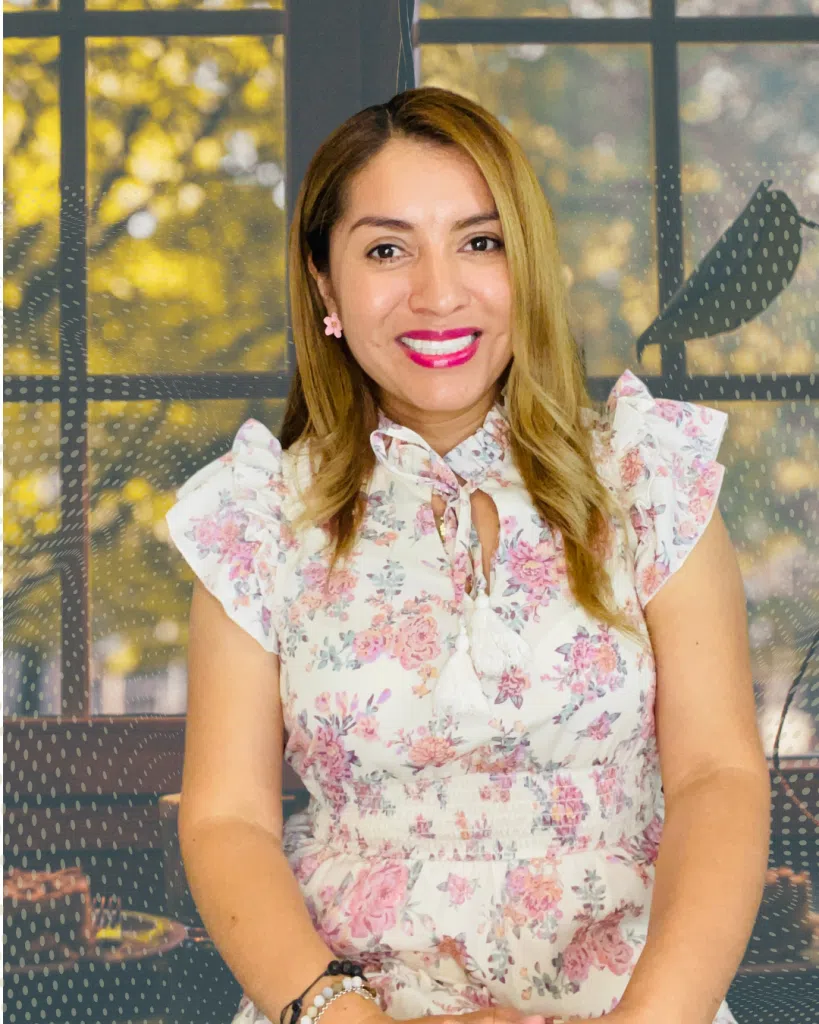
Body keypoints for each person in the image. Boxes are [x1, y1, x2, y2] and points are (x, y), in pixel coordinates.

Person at [165, 87, 771, 1024]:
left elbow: (716, 777)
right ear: (324, 283)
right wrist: (343, 1015)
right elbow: (225, 821)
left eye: (479, 242)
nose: (437, 291)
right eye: (385, 249)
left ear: (524, 265)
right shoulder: (255, 518)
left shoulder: (650, 482)